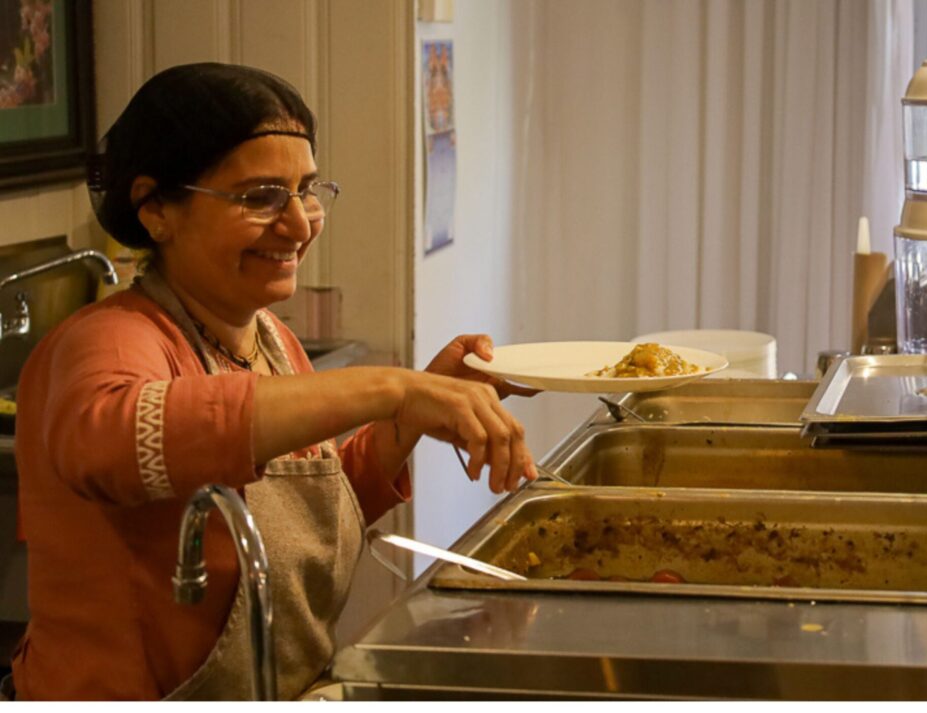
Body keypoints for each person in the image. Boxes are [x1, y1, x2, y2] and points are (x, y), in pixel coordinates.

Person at [10, 62, 538, 701]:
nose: (300, 223)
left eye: (307, 190)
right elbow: (109, 444)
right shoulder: (106, 339)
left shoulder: (268, 337)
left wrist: (415, 413)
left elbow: (313, 509)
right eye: (260, 197)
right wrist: (393, 389)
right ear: (155, 209)